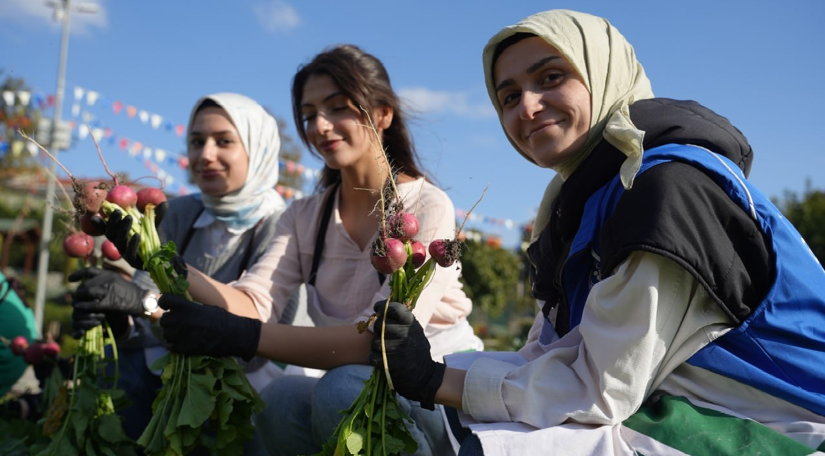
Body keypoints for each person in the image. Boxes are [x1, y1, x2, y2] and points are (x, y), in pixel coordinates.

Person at [367, 9, 825, 456]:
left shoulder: (665, 189)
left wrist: (435, 380)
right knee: (468, 405)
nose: (527, 106)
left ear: (603, 73)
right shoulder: (580, 205)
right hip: (698, 406)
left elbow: (600, 390)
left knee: (512, 444)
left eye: (550, 77)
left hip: (787, 421)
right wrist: (434, 370)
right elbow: (552, 356)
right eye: (509, 96)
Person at [105, 44, 484, 456]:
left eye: (338, 107)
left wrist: (244, 336)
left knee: (340, 388)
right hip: (356, 379)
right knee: (280, 399)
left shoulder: (427, 206)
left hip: (439, 385)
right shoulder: (305, 216)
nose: (320, 126)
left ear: (382, 114)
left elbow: (378, 344)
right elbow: (253, 301)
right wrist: (160, 259)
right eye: (308, 115)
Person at [70, 92, 305, 454]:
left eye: (224, 141)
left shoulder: (283, 224)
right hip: (173, 369)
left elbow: (255, 349)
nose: (205, 154)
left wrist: (142, 305)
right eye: (197, 142)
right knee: (116, 371)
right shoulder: (174, 212)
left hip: (248, 386)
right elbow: (145, 321)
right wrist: (119, 319)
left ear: (257, 149)